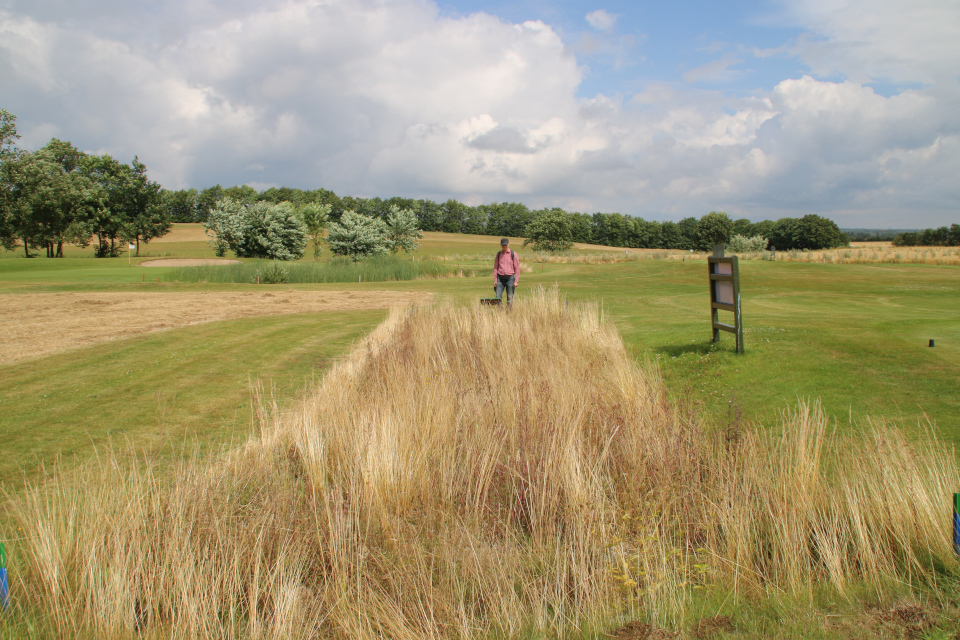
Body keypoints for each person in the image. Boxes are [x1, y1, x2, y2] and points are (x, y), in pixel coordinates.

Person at [493, 237, 520, 308]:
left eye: (505, 245)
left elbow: (517, 268)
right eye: (503, 245)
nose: (504, 247)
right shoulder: (498, 254)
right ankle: (500, 314)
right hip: (500, 278)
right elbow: (495, 268)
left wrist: (516, 281)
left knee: (510, 298)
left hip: (510, 278)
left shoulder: (513, 254)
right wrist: (495, 280)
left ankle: (509, 315)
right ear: (501, 245)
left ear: (508, 244)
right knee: (497, 297)